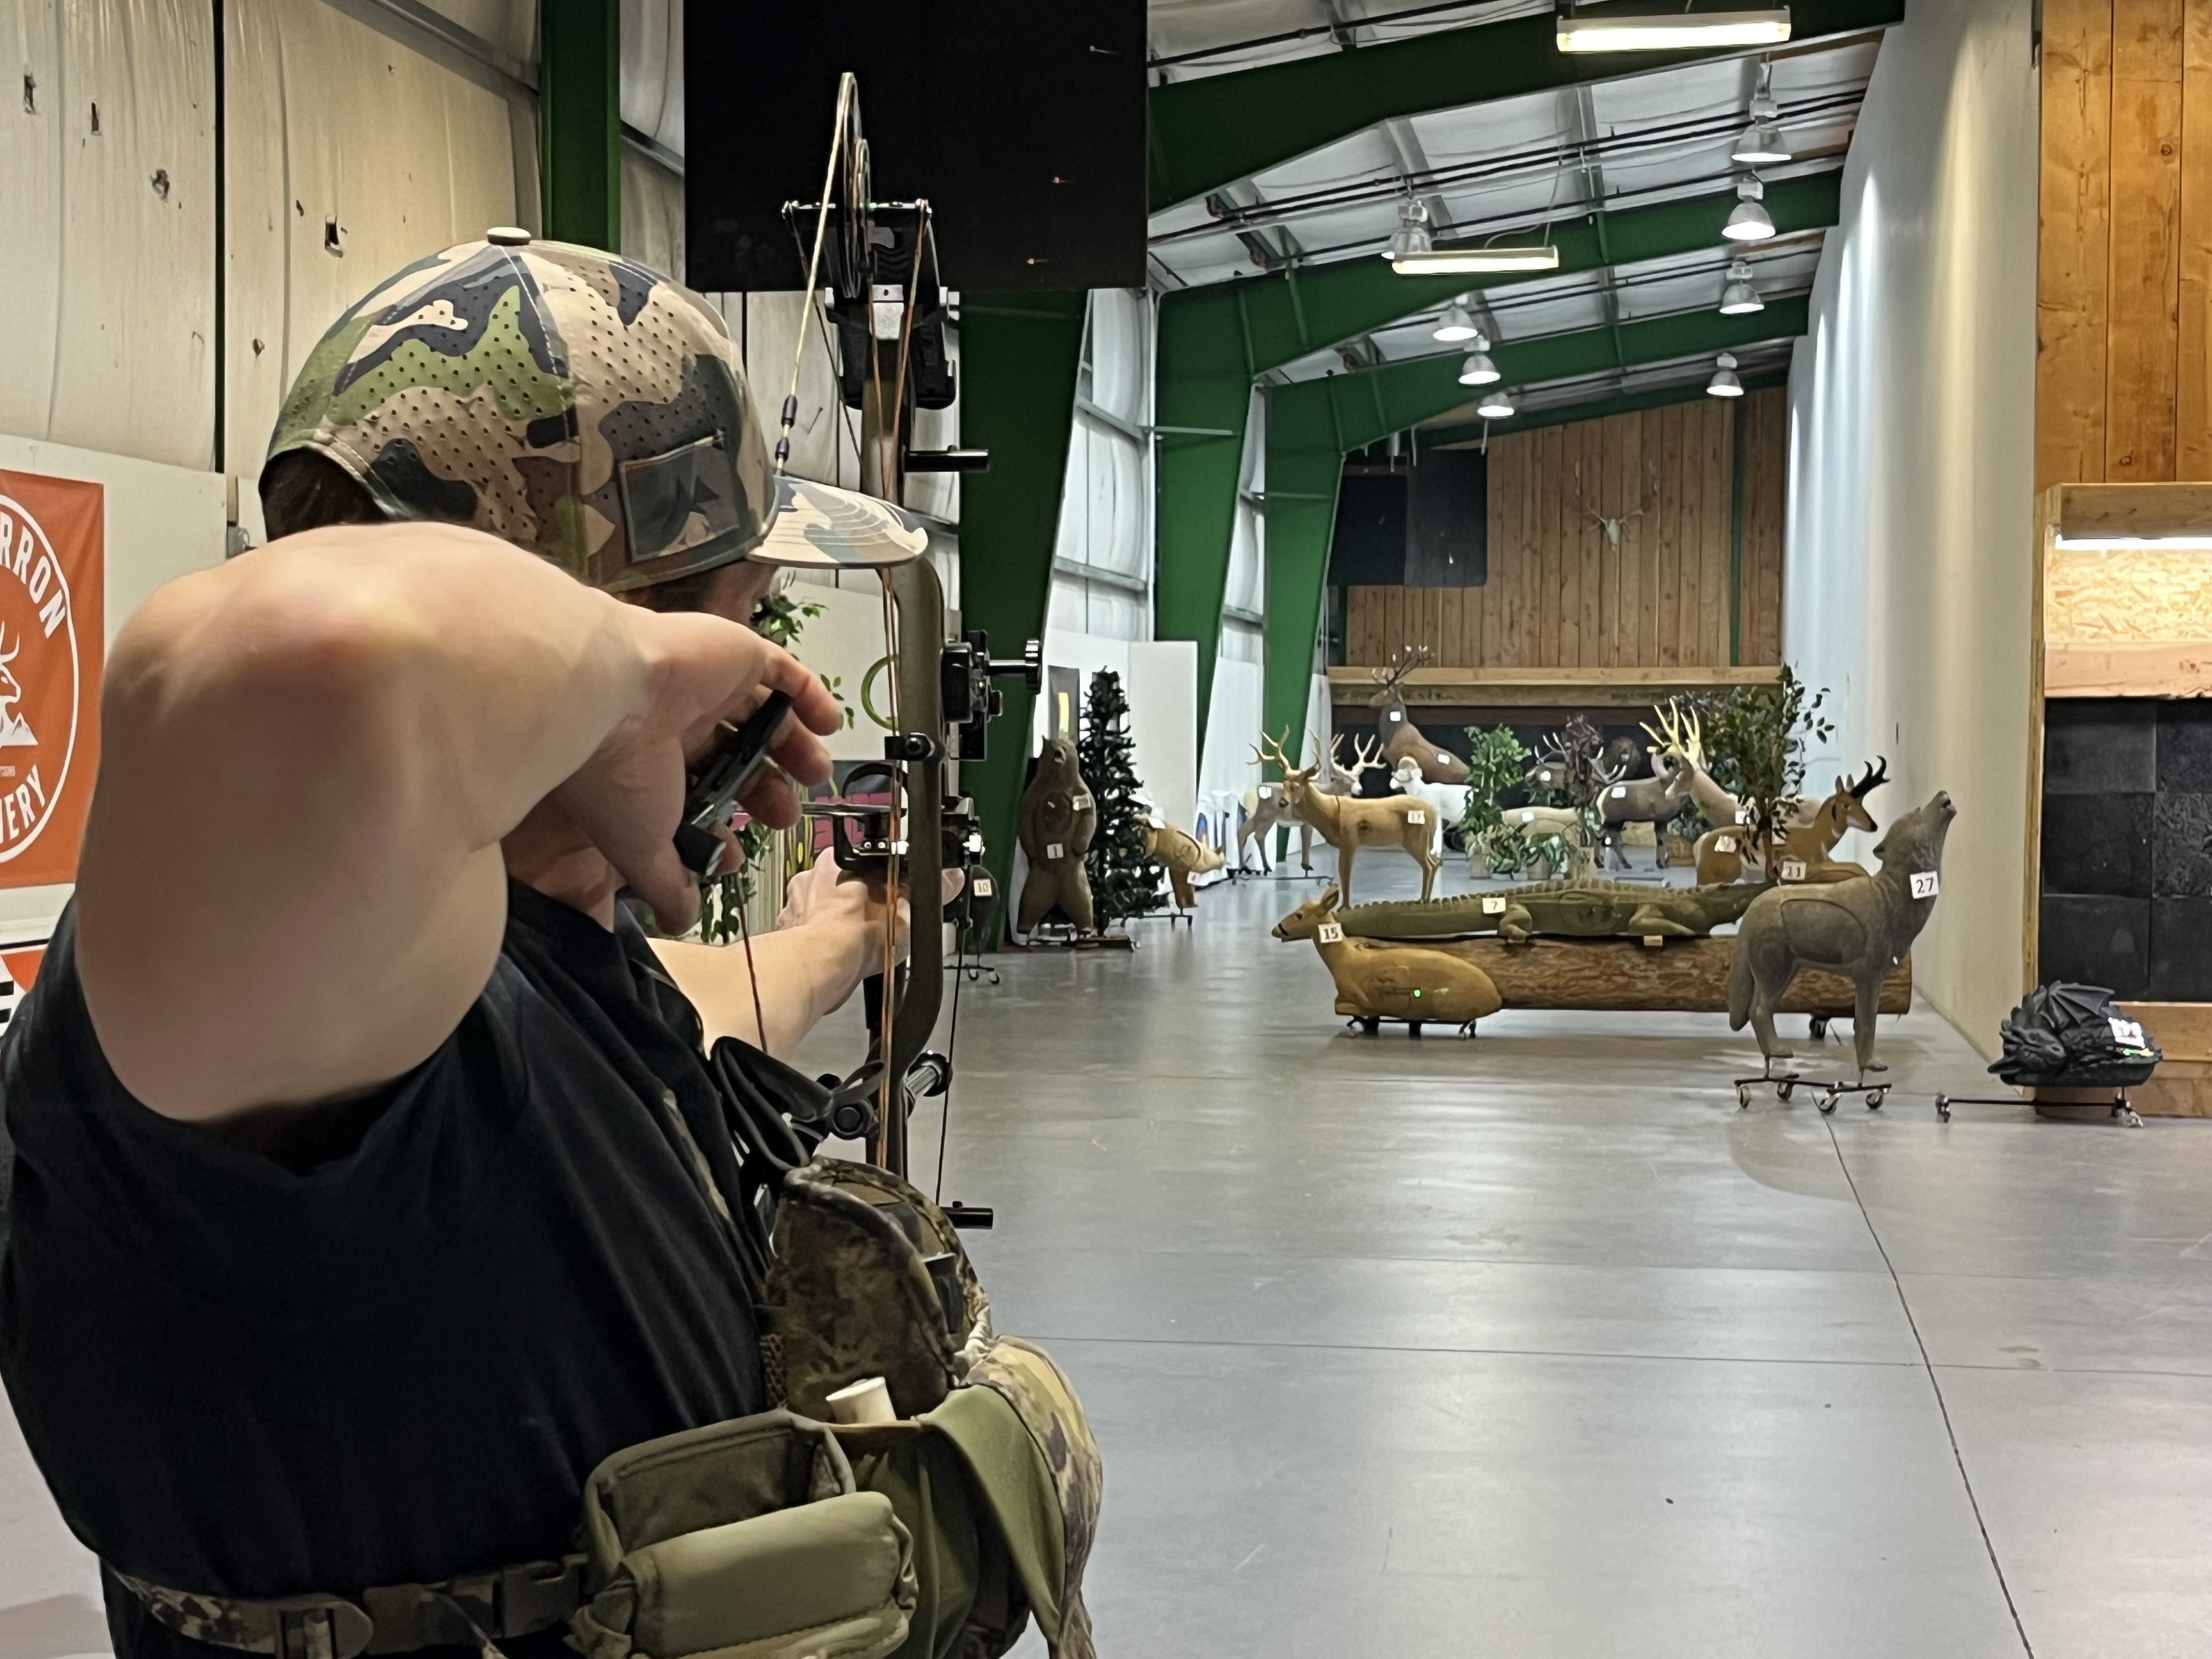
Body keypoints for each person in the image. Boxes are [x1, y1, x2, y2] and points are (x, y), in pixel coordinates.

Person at [0, 233, 947, 1659]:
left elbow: (601, 1081)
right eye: (749, 632)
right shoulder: (288, 1011)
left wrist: (831, 943)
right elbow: (308, 651)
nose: (766, 697)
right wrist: (627, 678)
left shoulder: (525, 954)